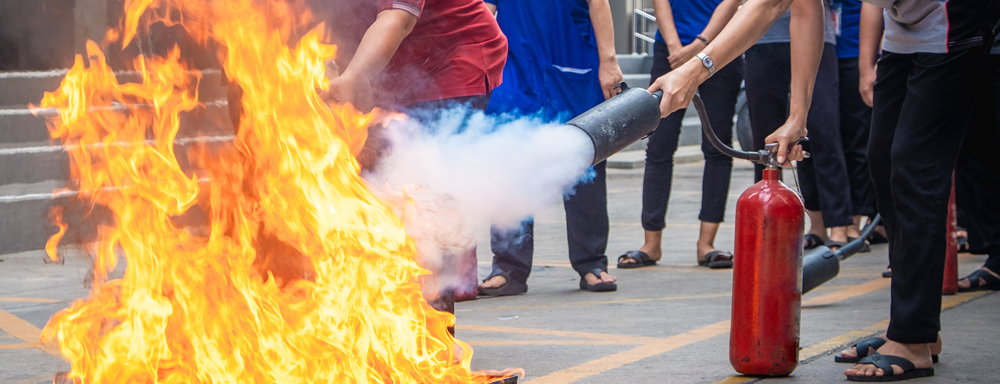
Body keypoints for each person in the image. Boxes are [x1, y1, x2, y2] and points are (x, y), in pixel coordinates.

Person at [839, 0, 1000, 380]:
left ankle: (912, 337)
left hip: (953, 21)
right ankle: (918, 329)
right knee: (884, 161)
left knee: (914, 169)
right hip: (905, 31)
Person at [476, 0, 624, 296]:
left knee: (584, 159)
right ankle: (509, 267)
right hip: (516, 61)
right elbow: (486, 10)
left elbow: (598, 3)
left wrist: (608, 60)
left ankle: (591, 262)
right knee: (511, 160)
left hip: (572, 55)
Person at [617, 0, 744, 270]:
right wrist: (676, 48)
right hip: (670, 50)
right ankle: (651, 243)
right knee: (659, 146)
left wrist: (700, 45)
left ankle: (706, 244)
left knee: (717, 147)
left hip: (721, 48)